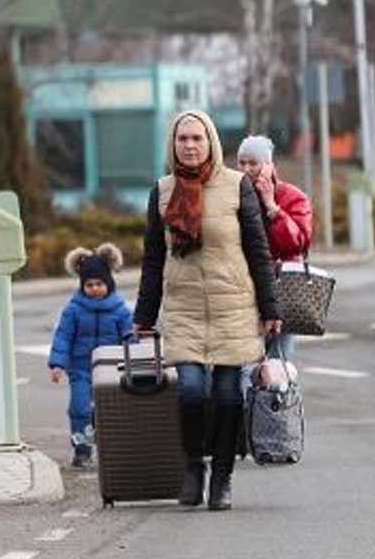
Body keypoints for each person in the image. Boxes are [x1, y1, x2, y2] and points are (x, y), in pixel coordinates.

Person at [133, 111, 281, 512]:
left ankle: (222, 476)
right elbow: (153, 258)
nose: (191, 145)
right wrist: (143, 316)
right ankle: (194, 466)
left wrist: (271, 308)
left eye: (198, 137)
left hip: (233, 304)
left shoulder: (237, 188)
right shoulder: (162, 192)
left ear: (211, 141)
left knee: (230, 396)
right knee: (192, 392)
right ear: (173, 144)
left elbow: (258, 250)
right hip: (183, 308)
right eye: (183, 138)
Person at [47, 243, 133, 469]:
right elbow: (63, 337)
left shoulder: (120, 310)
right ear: (82, 285)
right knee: (79, 408)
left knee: (111, 410)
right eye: (89, 285)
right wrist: (57, 364)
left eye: (99, 284)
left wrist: (134, 356)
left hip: (112, 370)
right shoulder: (73, 309)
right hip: (81, 369)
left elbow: (130, 337)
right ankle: (82, 450)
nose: (95, 289)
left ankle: (115, 448)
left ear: (109, 283)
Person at [236, 134, 313, 363]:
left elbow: (297, 243)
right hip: (243, 290)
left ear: (269, 165)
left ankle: (279, 398)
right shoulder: (233, 196)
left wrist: (273, 208)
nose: (246, 169)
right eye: (242, 163)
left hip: (282, 291)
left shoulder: (293, 197)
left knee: (278, 364)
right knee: (245, 365)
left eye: (254, 163)